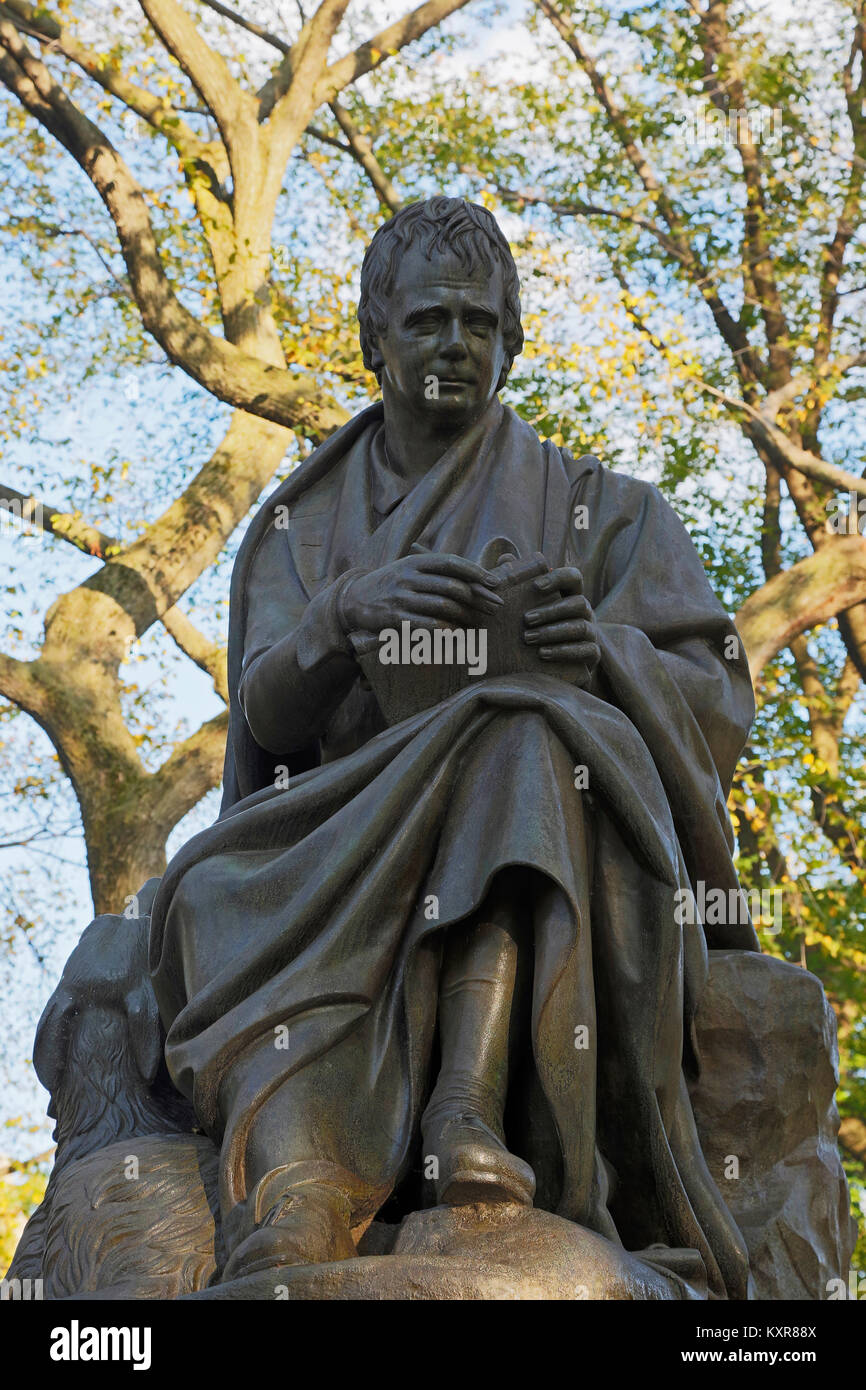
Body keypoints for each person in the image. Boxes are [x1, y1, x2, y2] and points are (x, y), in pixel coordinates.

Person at [148, 196, 758, 1296]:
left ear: (513, 342)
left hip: (520, 798)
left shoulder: (601, 511)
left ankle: (465, 1103)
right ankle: (300, 1180)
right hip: (324, 830)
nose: (453, 345)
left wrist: (602, 656)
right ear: (373, 338)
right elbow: (266, 725)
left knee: (523, 732)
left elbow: (712, 697)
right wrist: (338, 617)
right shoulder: (301, 524)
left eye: (479, 324)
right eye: (427, 321)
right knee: (206, 892)